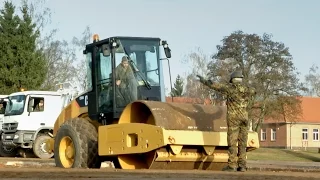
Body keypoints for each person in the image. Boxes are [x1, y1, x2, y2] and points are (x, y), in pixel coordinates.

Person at [196, 70, 255, 172]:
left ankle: (232, 165)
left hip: (234, 119)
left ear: (232, 80)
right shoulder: (248, 89)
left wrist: (203, 80)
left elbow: (214, 86)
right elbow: (254, 91)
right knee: (243, 142)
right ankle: (242, 166)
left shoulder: (230, 88)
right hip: (245, 119)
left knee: (232, 141)